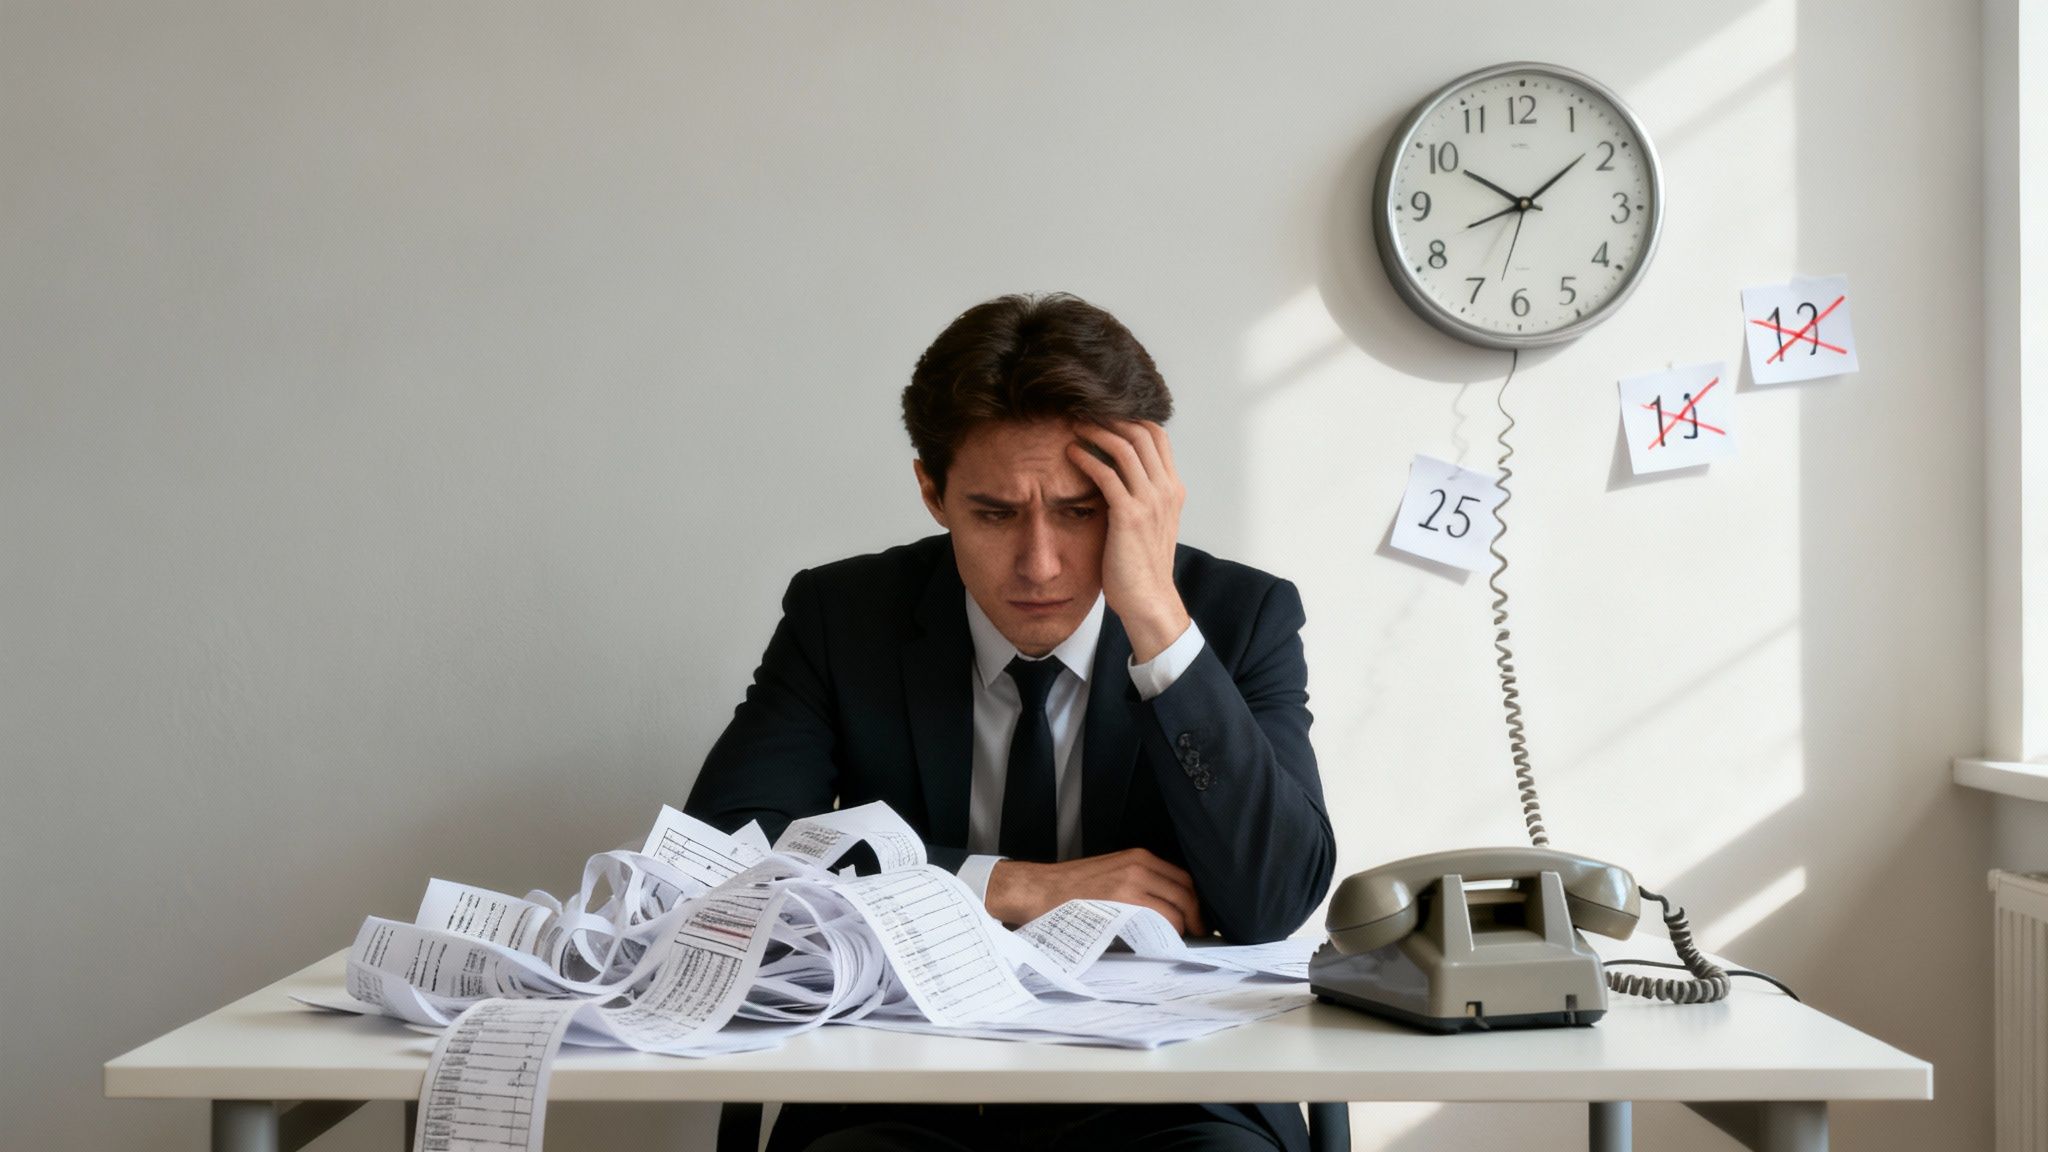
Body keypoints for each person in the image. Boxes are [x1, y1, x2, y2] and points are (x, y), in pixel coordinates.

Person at [686, 292, 1336, 1152]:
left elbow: (1274, 900)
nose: (1040, 564)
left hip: (1175, 1097)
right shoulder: (843, 618)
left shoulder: (1238, 616)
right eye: (995, 514)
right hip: (899, 1084)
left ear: (1146, 498)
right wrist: (1006, 885)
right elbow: (719, 860)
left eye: (1079, 511)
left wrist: (1156, 624)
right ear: (932, 490)